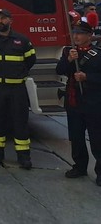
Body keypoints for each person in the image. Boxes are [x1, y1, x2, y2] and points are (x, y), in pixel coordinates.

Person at [0, 8, 36, 169]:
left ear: (11, 20)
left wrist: (18, 74)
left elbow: (31, 60)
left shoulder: (22, 40)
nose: (0, 21)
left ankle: (24, 156)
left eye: (3, 18)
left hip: (17, 88)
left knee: (20, 121)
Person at [56, 21, 101, 186]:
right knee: (76, 137)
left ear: (89, 36)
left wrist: (87, 77)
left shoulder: (98, 54)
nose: (76, 36)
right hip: (74, 102)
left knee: (97, 138)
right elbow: (59, 70)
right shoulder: (69, 52)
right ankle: (79, 166)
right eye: (74, 33)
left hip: (94, 103)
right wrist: (68, 60)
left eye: (80, 33)